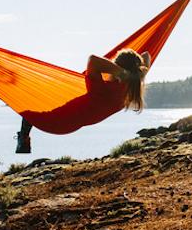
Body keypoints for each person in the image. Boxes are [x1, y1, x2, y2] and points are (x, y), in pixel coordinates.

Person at [16, 49, 151, 153]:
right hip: (70, 123)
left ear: (116, 68)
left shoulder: (104, 89)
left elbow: (92, 60)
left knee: (27, 109)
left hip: (57, 122)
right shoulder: (131, 89)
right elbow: (147, 55)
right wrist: (133, 73)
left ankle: (24, 139)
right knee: (34, 106)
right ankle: (24, 139)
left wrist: (122, 72)